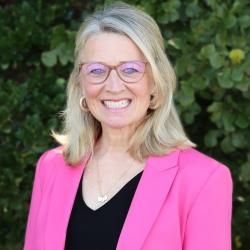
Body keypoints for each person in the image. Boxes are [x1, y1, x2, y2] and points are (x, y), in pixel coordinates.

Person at [23, 2, 233, 250]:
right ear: (80, 84)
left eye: (130, 70)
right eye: (97, 70)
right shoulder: (51, 167)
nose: (113, 86)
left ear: (155, 83)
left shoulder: (202, 179)